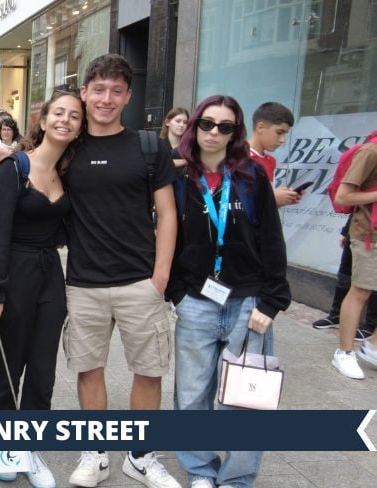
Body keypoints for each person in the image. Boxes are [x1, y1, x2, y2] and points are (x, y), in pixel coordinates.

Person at [62, 54, 181, 488]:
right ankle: (95, 453)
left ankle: (141, 456)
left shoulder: (149, 146)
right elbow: (21, 160)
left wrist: (160, 275)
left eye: (116, 91)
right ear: (84, 93)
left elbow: (167, 213)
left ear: (128, 96)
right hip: (84, 282)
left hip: (140, 281)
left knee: (149, 371)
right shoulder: (67, 148)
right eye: (98, 89)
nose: (106, 99)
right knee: (88, 369)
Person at [168, 95, 291, 488]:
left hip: (247, 304)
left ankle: (237, 478)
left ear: (236, 132)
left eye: (225, 126)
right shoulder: (179, 177)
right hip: (196, 303)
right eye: (206, 123)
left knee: (245, 399)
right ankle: (201, 470)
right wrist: (178, 293)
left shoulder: (252, 176)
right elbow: (167, 239)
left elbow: (272, 240)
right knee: (191, 398)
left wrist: (271, 301)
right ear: (194, 127)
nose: (214, 132)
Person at [0, 91, 84, 487]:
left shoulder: (67, 173)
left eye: (74, 116)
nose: (65, 120)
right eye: (59, 113)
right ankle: (6, 445)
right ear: (41, 121)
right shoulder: (14, 168)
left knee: (43, 369)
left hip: (49, 273)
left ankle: (30, 449)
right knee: (11, 365)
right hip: (14, 274)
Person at [332, 136, 377, 379]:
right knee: (360, 291)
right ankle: (344, 352)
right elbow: (343, 196)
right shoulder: (371, 151)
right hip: (370, 234)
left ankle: (372, 346)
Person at [312, 215, 376, 341]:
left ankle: (369, 326)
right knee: (345, 274)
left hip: (373, 236)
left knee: (373, 281)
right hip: (358, 229)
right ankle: (336, 315)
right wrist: (345, 230)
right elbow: (355, 205)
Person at [247, 102, 301, 208]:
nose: (283, 140)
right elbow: (232, 203)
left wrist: (282, 199)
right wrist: (272, 198)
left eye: (285, 134)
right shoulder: (236, 158)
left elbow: (264, 208)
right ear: (260, 127)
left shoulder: (271, 161)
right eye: (279, 132)